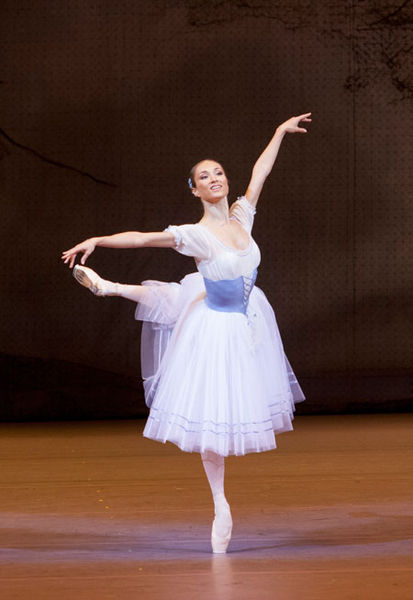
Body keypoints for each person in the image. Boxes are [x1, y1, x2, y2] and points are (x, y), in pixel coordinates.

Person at [61, 113, 311, 553]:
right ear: (194, 189)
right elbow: (142, 239)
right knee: (211, 417)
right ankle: (220, 504)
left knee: (176, 299)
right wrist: (98, 239)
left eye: (218, 172)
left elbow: (261, 172)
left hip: (248, 318)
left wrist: (278, 133)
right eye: (203, 176)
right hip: (215, 327)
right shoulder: (194, 235)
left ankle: (110, 288)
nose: (213, 178)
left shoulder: (242, 218)